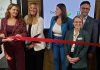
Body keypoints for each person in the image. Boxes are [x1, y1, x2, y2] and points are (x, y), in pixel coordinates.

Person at [0, 3, 27, 70]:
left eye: (17, 10)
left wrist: (20, 35)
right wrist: (1, 34)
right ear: (9, 10)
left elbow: (25, 33)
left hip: (19, 47)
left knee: (20, 66)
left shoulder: (21, 21)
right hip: (7, 47)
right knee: (11, 66)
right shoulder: (3, 20)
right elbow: (2, 31)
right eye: (14, 9)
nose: (16, 11)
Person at [48, 3, 73, 70]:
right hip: (54, 43)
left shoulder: (69, 20)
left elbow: (71, 33)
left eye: (57, 9)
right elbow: (50, 30)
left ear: (62, 10)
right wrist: (49, 42)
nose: (55, 11)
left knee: (63, 60)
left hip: (64, 44)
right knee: (55, 59)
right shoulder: (53, 18)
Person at [24, 3, 45, 70]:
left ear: (37, 10)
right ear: (29, 9)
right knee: (29, 66)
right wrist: (28, 45)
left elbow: (39, 33)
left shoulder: (40, 19)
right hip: (28, 46)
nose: (32, 9)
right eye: (31, 8)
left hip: (38, 46)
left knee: (38, 66)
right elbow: (24, 31)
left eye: (34, 8)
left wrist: (32, 44)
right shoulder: (26, 18)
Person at [80, 1, 98, 70]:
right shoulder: (74, 19)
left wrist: (91, 52)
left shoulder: (94, 22)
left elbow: (94, 38)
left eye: (87, 8)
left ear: (89, 9)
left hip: (87, 51)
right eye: (83, 8)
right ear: (80, 8)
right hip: (75, 51)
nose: (85, 10)